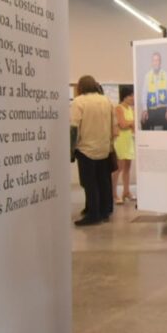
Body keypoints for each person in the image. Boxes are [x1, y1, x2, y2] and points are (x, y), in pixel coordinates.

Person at [70, 76, 116, 226]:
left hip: (86, 149)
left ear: (81, 87)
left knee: (89, 183)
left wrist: (71, 149)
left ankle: (93, 214)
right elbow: (113, 125)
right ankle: (105, 211)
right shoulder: (106, 100)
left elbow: (74, 128)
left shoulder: (78, 102)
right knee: (103, 181)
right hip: (104, 148)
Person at [141, 51, 167, 130]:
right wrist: (144, 109)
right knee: (143, 121)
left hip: (163, 109)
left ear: (160, 62)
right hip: (151, 109)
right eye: (154, 60)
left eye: (157, 60)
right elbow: (144, 94)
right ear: (152, 62)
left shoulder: (166, 75)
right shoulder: (147, 76)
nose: (156, 62)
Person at [114, 84, 136, 205]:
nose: (133, 98)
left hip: (129, 140)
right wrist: (131, 123)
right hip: (121, 141)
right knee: (118, 168)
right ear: (124, 96)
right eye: (130, 95)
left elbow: (132, 125)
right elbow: (122, 124)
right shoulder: (119, 108)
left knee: (127, 167)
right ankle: (114, 194)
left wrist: (130, 123)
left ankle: (126, 192)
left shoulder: (130, 109)